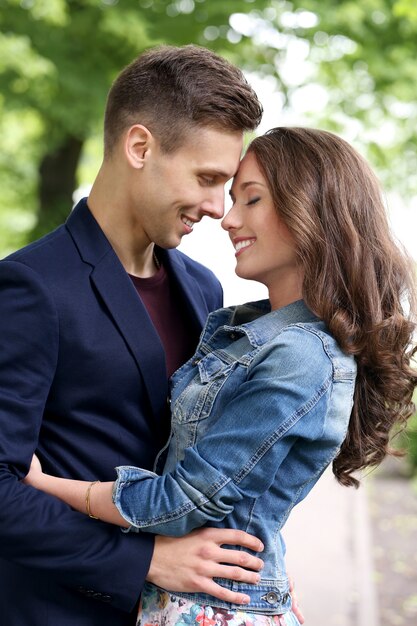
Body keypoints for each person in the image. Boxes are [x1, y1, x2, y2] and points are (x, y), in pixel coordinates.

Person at [25, 127, 417, 626]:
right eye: (231, 198)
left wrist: (48, 484)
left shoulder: (302, 355)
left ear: (313, 212)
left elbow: (187, 498)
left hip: (215, 607)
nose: (227, 218)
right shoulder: (241, 328)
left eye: (251, 200)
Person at [0, 45, 268, 626]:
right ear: (140, 146)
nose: (218, 207)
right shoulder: (31, 287)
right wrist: (144, 558)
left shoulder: (202, 290)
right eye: (207, 178)